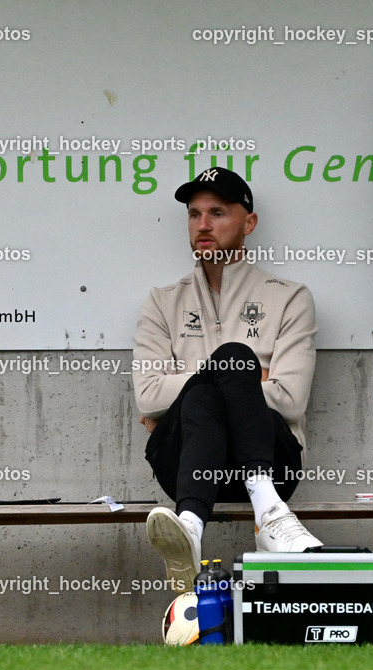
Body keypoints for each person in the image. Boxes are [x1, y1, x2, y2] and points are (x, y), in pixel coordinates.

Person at [132, 166, 322, 591]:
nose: (203, 225)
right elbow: (147, 396)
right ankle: (267, 518)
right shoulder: (162, 302)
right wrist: (243, 378)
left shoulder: (289, 297)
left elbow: (290, 399)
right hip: (184, 466)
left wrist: (194, 384)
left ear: (248, 223)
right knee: (225, 374)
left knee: (224, 368)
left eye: (217, 213)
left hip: (274, 463)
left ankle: (194, 526)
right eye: (194, 214)